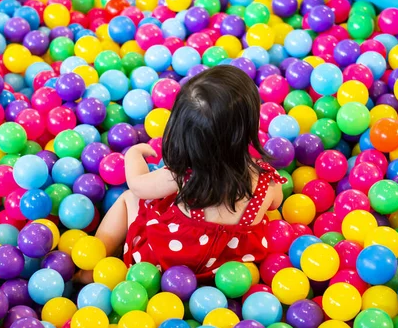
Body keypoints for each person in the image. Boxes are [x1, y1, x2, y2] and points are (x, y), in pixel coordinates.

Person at [81, 65, 287, 283]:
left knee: (128, 199)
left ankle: (90, 268)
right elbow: (275, 205)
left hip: (161, 269)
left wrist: (134, 154)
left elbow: (138, 187)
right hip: (224, 277)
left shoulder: (183, 176)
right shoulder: (268, 182)